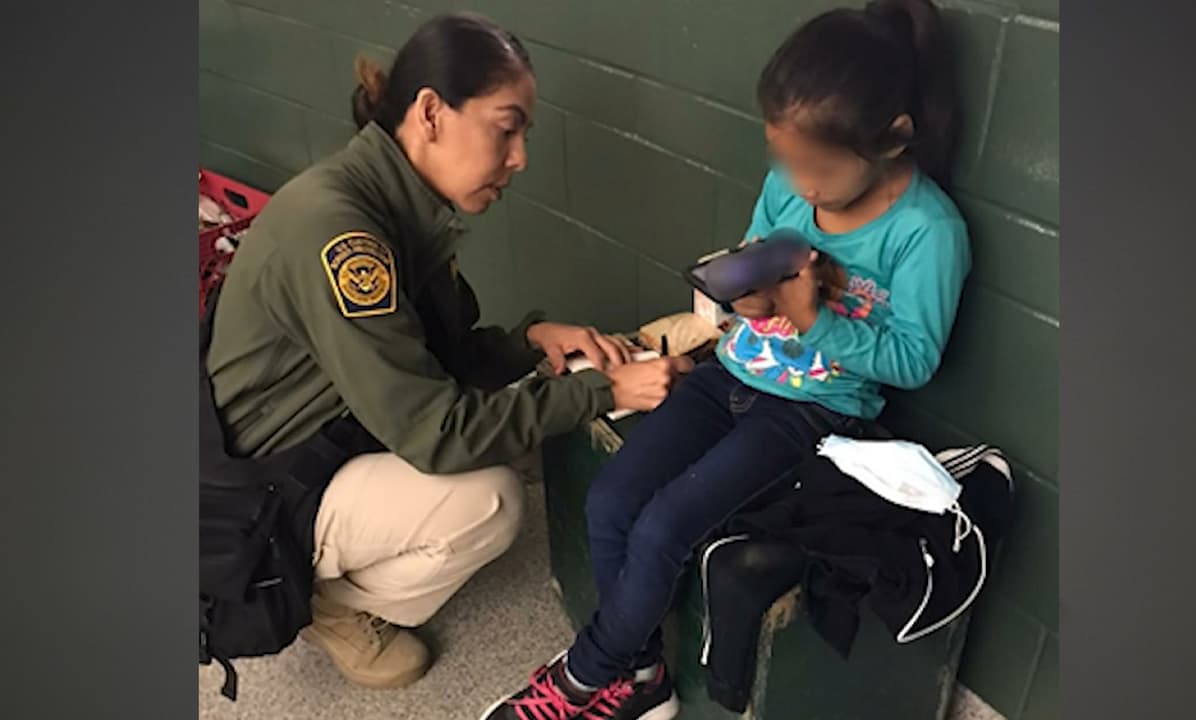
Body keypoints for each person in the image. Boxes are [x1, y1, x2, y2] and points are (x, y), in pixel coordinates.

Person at [481, 1, 971, 718]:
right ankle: (643, 678)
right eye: (785, 160)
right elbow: (749, 259)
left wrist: (813, 318)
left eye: (820, 169)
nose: (800, 185)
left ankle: (585, 676)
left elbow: (913, 360)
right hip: (729, 377)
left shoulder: (927, 232)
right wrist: (744, 297)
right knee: (612, 499)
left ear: (894, 139)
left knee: (663, 526)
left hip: (814, 412)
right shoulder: (788, 186)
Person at [203, 12, 692, 692]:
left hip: (331, 430)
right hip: (257, 491)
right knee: (487, 499)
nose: (519, 156)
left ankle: (326, 569)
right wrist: (604, 391)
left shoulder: (397, 200)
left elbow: (434, 357)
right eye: (506, 125)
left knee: (490, 448)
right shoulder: (343, 235)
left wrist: (527, 343)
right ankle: (317, 599)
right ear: (431, 112)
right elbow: (437, 434)